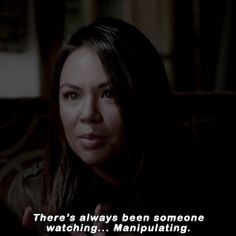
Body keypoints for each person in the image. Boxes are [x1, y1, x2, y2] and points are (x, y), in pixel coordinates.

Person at [7, 17, 180, 235]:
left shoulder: (198, 184)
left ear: (145, 99)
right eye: (72, 95)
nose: (88, 114)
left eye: (109, 93)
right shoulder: (33, 193)